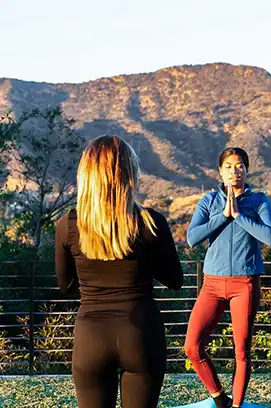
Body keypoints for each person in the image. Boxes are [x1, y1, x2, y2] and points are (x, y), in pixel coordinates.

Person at [55, 135, 184, 408]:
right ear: (129, 174)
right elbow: (175, 280)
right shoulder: (151, 223)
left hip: (91, 336)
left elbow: (66, 286)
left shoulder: (67, 225)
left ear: (86, 175)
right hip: (141, 332)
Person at [184, 147, 271, 408]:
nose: (234, 171)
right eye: (228, 166)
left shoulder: (259, 201)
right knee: (192, 346)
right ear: (220, 171)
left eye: (239, 166)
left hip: (244, 283)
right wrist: (224, 215)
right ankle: (219, 397)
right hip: (212, 284)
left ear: (246, 170)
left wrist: (238, 215)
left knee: (241, 351)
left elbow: (269, 237)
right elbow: (192, 238)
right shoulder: (209, 201)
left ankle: (236, 406)